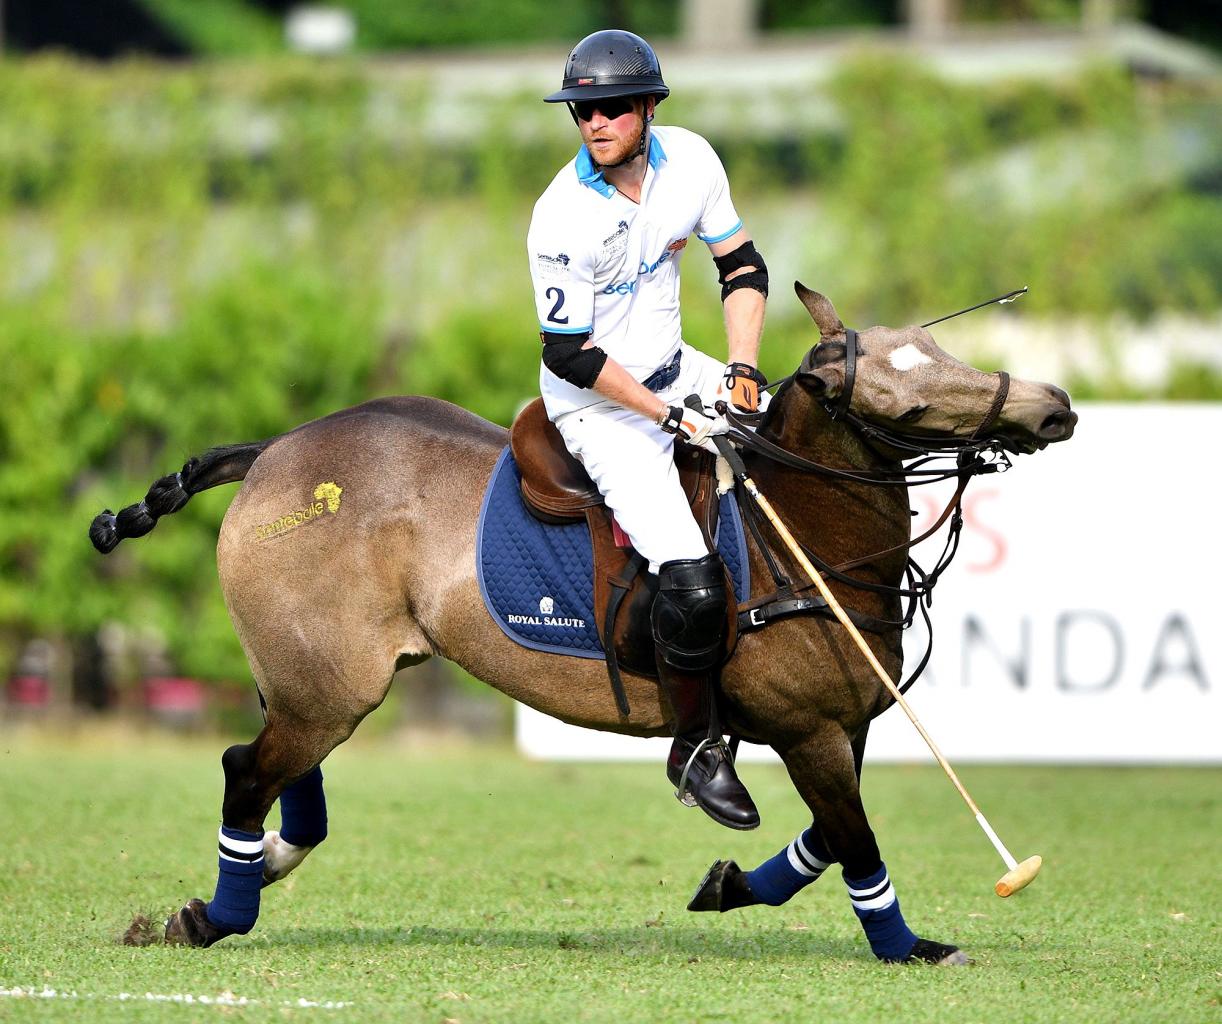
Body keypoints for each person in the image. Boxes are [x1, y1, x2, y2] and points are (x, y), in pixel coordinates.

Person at [527, 29, 769, 831]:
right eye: (580, 111)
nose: (592, 122)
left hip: (683, 367)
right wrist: (670, 417)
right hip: (599, 405)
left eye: (608, 108)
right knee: (693, 581)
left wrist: (740, 370)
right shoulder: (560, 214)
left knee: (799, 446)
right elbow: (568, 354)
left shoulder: (693, 161)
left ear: (649, 108)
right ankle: (695, 747)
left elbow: (741, 266)